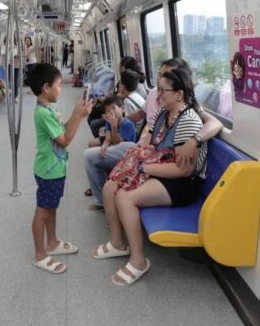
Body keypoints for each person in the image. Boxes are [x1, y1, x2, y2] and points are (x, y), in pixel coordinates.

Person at [92, 68, 208, 287]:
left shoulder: (188, 121)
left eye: (163, 90)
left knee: (125, 197)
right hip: (157, 168)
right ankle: (117, 243)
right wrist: (141, 159)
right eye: (158, 89)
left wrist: (144, 167)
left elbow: (184, 170)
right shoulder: (163, 114)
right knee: (109, 187)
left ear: (179, 95)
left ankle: (138, 261)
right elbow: (148, 141)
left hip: (181, 183)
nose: (158, 94)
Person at [83, 58, 222, 200]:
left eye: (167, 75)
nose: (161, 79)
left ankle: (105, 193)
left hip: (154, 153)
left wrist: (194, 140)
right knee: (111, 177)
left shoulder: (186, 106)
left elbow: (215, 123)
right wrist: (118, 123)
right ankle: (105, 189)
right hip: (143, 147)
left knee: (93, 157)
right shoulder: (154, 93)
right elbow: (139, 114)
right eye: (160, 74)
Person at [28, 63, 92, 274]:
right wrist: (80, 116)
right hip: (48, 170)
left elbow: (61, 129)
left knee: (51, 206)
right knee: (43, 210)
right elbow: (64, 140)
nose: (61, 88)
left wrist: (75, 112)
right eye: (58, 85)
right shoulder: (43, 114)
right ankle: (39, 254)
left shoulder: (50, 108)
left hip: (55, 169)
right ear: (46, 88)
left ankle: (52, 241)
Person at [84, 95, 136, 210]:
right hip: (114, 150)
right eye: (108, 110)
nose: (111, 112)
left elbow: (118, 144)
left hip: (127, 156)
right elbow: (108, 139)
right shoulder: (109, 123)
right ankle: (101, 198)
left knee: (91, 156)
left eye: (114, 108)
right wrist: (104, 146)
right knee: (95, 154)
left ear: (121, 109)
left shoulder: (128, 125)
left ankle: (102, 199)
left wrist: (113, 126)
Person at [118, 69, 146, 136]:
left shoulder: (128, 101)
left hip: (135, 134)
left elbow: (128, 124)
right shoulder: (136, 95)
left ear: (122, 86)